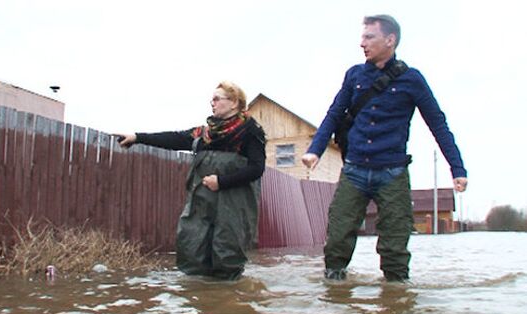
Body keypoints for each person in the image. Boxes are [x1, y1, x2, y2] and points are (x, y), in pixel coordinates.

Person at [302, 15, 468, 282]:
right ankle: (335, 300)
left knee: (394, 247)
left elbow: (438, 124)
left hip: (392, 173)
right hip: (354, 170)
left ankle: (394, 301)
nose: (362, 43)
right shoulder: (354, 75)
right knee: (337, 239)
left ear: (390, 40)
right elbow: (334, 114)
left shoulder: (412, 80)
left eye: (369, 37)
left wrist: (457, 169)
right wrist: (315, 150)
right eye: (362, 37)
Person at [117, 81, 266, 280]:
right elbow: (174, 138)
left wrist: (222, 181)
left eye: (216, 99)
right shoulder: (204, 134)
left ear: (234, 103)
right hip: (202, 203)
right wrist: (137, 137)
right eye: (211, 99)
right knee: (192, 247)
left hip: (234, 206)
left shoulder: (250, 131)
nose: (211, 103)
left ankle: (228, 304)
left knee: (227, 254)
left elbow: (257, 169)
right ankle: (198, 300)